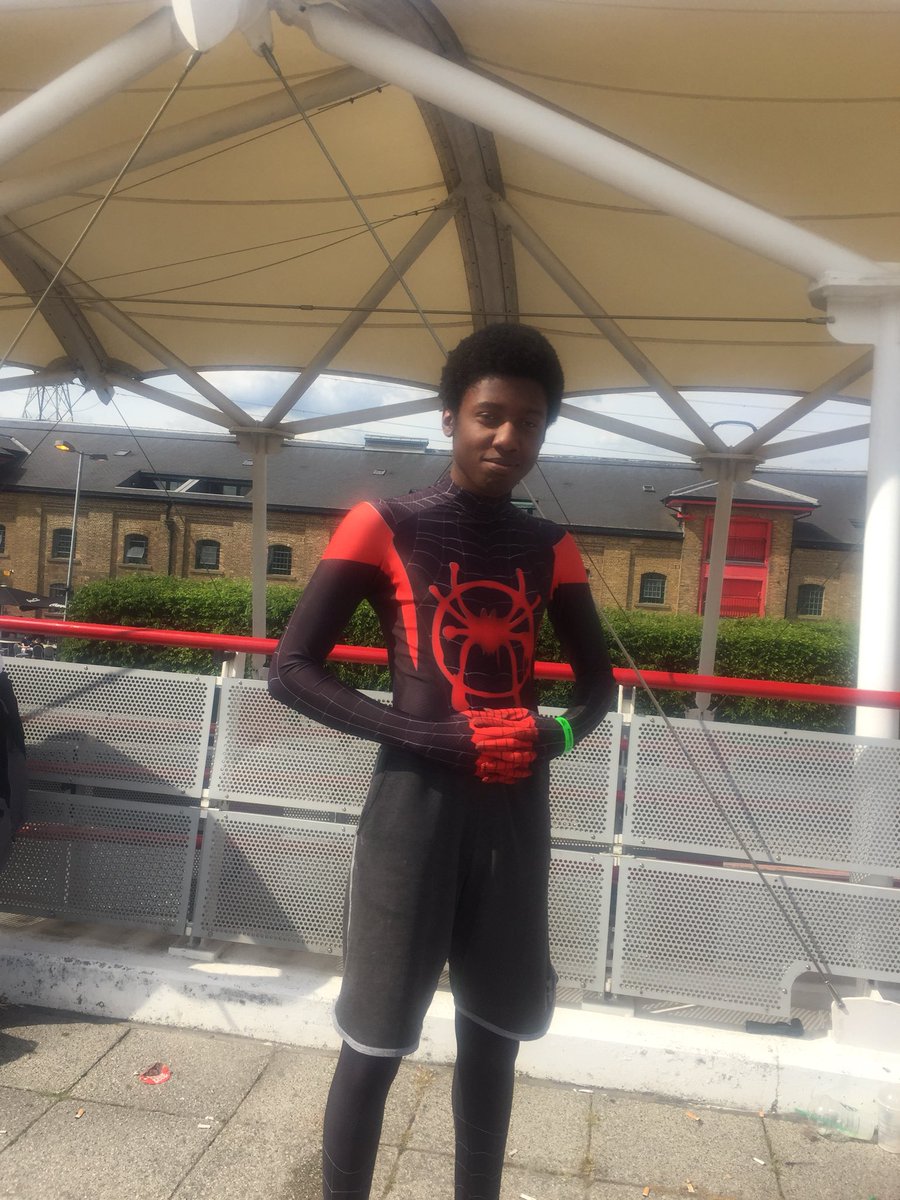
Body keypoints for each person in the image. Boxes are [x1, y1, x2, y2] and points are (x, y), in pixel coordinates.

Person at [268, 323, 615, 1200]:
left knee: (495, 1036)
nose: (507, 437)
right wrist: (430, 738)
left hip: (513, 814)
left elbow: (598, 691)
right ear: (451, 416)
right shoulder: (385, 523)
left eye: (529, 422)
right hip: (411, 811)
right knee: (376, 1040)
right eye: (489, 415)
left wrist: (552, 737)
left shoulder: (551, 547)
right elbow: (291, 670)